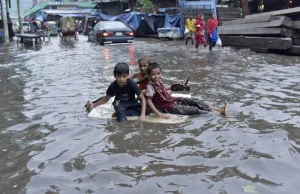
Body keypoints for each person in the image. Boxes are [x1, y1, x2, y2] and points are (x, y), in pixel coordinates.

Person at [145, 63, 228, 119]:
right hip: (169, 107)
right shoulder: (150, 86)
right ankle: (216, 114)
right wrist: (159, 114)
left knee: (195, 101)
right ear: (149, 75)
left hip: (173, 100)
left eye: (158, 73)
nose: (156, 76)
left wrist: (175, 85)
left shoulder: (159, 81)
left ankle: (217, 109)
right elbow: (149, 101)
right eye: (153, 74)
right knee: (192, 110)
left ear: (161, 73)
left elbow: (162, 89)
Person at [85, 62, 151, 122]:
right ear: (115, 76)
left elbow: (142, 98)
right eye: (118, 76)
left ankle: (124, 112)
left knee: (148, 110)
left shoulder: (132, 83)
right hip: (119, 102)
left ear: (127, 75)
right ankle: (120, 112)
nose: (121, 79)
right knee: (121, 119)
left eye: (124, 76)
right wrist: (94, 105)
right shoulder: (113, 86)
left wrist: (142, 115)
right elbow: (106, 99)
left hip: (132, 102)